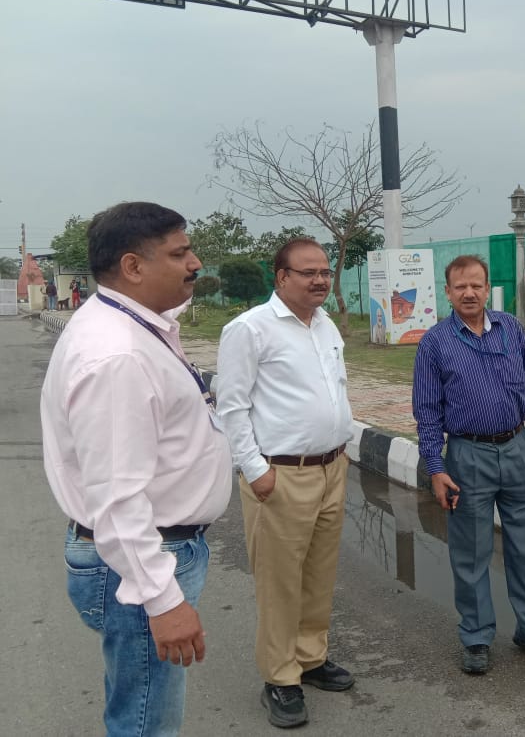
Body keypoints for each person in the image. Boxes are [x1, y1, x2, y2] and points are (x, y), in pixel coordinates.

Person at [40, 202, 233, 736]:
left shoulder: (130, 324)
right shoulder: (117, 355)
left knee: (139, 707)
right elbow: (116, 496)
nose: (194, 262)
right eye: (180, 253)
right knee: (146, 722)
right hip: (142, 561)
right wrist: (162, 599)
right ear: (133, 267)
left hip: (151, 551)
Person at [412, 254, 525, 675]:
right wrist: (435, 466)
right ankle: (477, 636)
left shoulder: (511, 329)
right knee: (471, 551)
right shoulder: (435, 343)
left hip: (516, 448)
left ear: (488, 289)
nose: (469, 292)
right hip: (467, 455)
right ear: (447, 292)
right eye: (460, 286)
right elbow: (427, 412)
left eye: (477, 285)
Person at [216, 238, 355, 729]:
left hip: (331, 468)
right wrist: (255, 471)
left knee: (319, 572)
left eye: (324, 271)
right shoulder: (249, 329)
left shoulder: (325, 324)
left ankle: (310, 657)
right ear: (281, 277)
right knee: (280, 582)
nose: (320, 279)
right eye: (307, 272)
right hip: (281, 475)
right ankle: (280, 677)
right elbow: (230, 406)